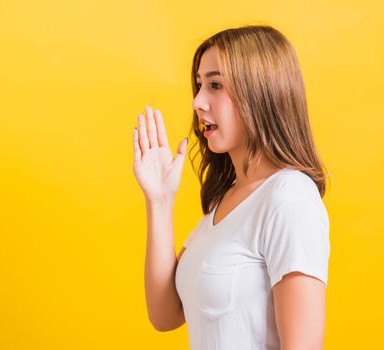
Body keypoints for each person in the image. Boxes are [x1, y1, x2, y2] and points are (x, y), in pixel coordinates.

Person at [132, 25, 331, 350]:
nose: (197, 101)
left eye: (215, 85)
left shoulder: (289, 198)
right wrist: (159, 201)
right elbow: (165, 314)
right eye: (199, 86)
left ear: (260, 91)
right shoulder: (227, 202)